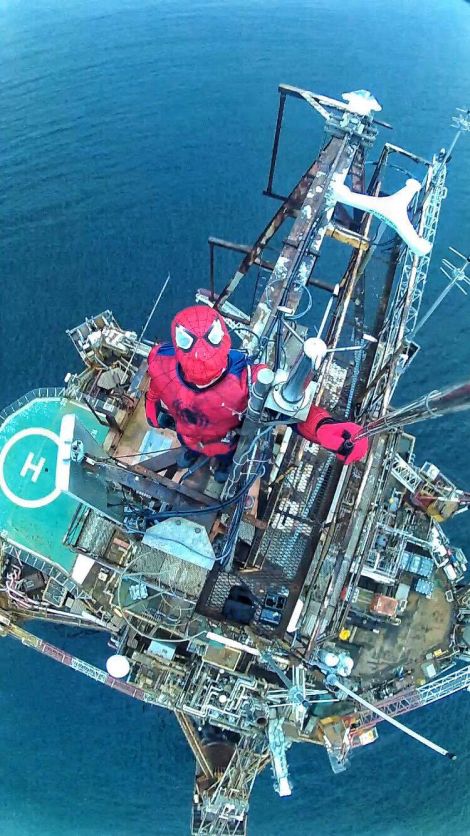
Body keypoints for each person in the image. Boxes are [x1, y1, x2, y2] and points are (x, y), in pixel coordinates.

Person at [145, 305, 368, 482]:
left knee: (224, 456)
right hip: (189, 435)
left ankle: (222, 465)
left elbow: (285, 406)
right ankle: (193, 454)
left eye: (211, 338)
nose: (201, 353)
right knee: (190, 445)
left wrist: (324, 427)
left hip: (224, 440)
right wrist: (152, 411)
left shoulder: (250, 378)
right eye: (187, 341)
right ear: (177, 345)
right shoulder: (161, 364)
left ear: (223, 338)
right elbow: (155, 389)